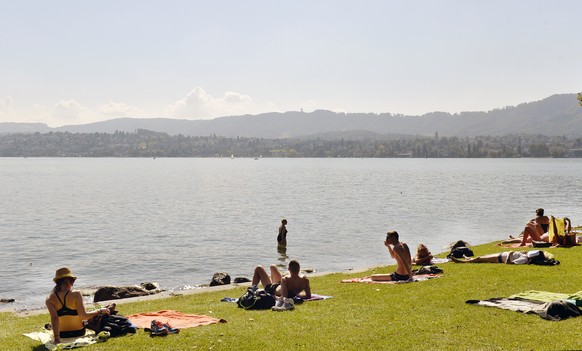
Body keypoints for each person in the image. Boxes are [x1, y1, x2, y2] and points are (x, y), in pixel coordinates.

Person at [46, 267, 110, 344]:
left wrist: (57, 338)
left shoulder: (49, 298)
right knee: (92, 314)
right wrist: (100, 311)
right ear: (67, 280)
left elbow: (54, 318)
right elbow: (84, 316)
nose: (73, 284)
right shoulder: (76, 294)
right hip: (79, 332)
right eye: (72, 281)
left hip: (62, 334)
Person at [450, 250, 555, 265]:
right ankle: (467, 258)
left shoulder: (524, 259)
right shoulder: (525, 255)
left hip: (500, 258)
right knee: (482, 256)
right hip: (502, 254)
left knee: (479, 259)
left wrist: (510, 254)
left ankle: (462, 262)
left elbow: (509, 263)